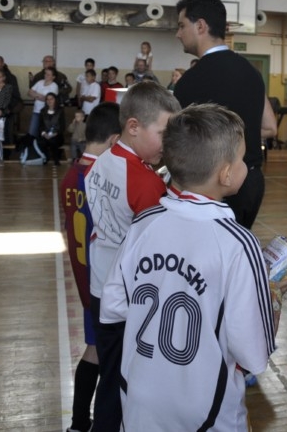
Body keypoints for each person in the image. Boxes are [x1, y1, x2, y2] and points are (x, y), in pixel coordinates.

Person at [100, 103, 276, 431]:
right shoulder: (239, 244)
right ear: (226, 174)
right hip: (209, 413)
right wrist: (272, 305)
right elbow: (253, 354)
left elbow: (112, 306)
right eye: (241, 158)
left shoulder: (143, 224)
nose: (245, 165)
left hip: (139, 402)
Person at [84, 81, 180, 432]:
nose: (168, 144)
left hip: (101, 282)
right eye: (163, 133)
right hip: (128, 297)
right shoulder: (144, 180)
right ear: (134, 126)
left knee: (110, 373)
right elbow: (162, 243)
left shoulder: (104, 159)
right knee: (122, 383)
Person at [173, 0, 277, 229]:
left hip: (211, 189)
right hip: (250, 183)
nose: (178, 34)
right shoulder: (251, 72)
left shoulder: (189, 82)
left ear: (200, 26)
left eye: (181, 26)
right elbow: (270, 127)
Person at [60, 102, 121, 432]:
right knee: (108, 357)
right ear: (115, 140)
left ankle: (79, 423)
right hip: (104, 283)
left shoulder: (72, 175)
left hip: (85, 279)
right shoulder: (103, 180)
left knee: (94, 350)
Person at [28, 66, 59, 137]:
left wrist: (35, 95)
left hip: (46, 112)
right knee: (32, 132)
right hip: (36, 110)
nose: (46, 75)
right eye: (45, 73)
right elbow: (29, 92)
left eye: (48, 74)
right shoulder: (40, 82)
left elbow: (48, 99)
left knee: (44, 132)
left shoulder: (54, 86)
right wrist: (39, 96)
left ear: (53, 77)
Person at [37, 92, 66, 166]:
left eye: (51, 99)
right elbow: (40, 125)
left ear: (55, 100)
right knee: (41, 141)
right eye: (47, 99)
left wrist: (54, 134)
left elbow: (62, 126)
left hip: (57, 135)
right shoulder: (42, 111)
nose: (49, 101)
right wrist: (44, 134)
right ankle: (45, 157)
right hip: (45, 134)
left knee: (53, 141)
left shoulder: (60, 111)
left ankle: (56, 159)